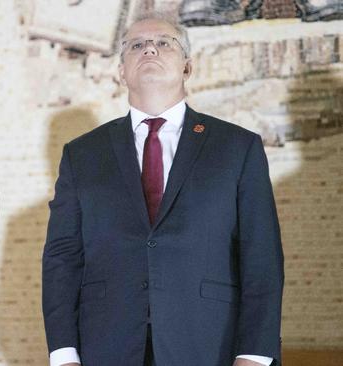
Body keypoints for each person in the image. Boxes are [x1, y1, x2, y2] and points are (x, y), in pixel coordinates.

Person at [42, 12, 284, 366]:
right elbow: (61, 259)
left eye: (163, 43)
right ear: (121, 70)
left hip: (209, 344)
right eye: (137, 45)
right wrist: (63, 354)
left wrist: (254, 355)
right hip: (107, 346)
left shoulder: (237, 148)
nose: (150, 50)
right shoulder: (82, 154)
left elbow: (261, 257)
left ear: (188, 66)